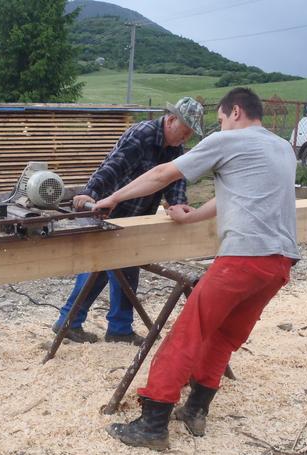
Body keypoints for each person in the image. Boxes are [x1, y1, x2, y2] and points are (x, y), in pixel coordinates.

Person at [97, 87, 300, 450]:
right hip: (279, 262)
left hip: (243, 257)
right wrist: (191, 218)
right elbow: (234, 197)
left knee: (188, 333)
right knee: (223, 337)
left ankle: (152, 424)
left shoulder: (228, 140)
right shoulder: (282, 147)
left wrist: (112, 197)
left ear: (235, 112)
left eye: (220, 119)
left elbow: (163, 174)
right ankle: (196, 411)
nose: (219, 126)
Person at [53, 97, 204, 345]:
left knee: (118, 268)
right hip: (110, 211)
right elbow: (114, 166)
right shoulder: (143, 135)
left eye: (190, 134)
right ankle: (92, 325)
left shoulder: (175, 147)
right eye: (185, 131)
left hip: (136, 214)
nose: (186, 137)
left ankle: (97, 325)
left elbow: (175, 179)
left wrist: (178, 203)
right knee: (104, 268)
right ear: (171, 119)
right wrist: (91, 192)